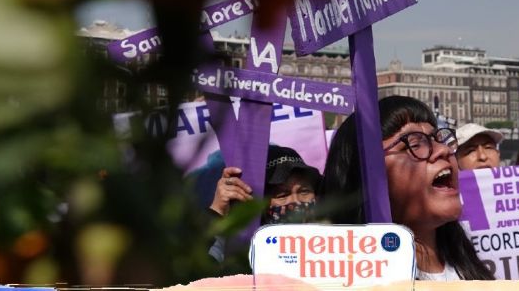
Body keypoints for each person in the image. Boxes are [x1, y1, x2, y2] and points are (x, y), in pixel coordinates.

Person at [321, 95, 494, 281]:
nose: (442, 150)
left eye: (438, 138)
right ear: (364, 178)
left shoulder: (469, 267)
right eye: (414, 143)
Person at [208, 145, 321, 262]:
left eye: (304, 191)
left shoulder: (333, 247)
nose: (297, 202)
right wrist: (217, 211)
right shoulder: (245, 258)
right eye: (282, 195)